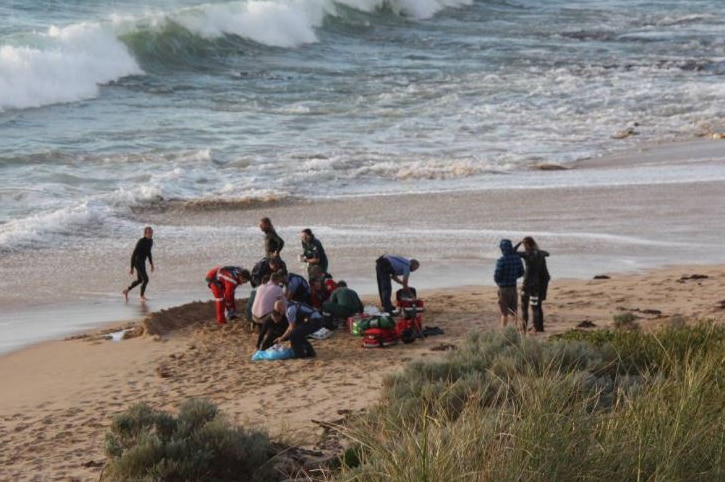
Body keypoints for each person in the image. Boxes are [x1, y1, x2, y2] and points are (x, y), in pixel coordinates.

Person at [514, 236, 551, 333]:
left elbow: (512, 251)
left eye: (524, 244)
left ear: (526, 245)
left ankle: (524, 328)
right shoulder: (540, 254)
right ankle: (538, 327)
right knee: (536, 307)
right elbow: (548, 253)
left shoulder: (527, 254)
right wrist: (538, 250)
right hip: (536, 284)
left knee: (524, 307)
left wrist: (519, 242)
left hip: (527, 284)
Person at [494, 239, 525, 329]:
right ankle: (516, 330)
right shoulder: (517, 259)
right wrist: (514, 277)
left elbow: (497, 276)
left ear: (502, 249)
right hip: (513, 288)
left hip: (503, 288)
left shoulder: (501, 261)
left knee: (504, 313)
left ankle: (504, 332)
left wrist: (499, 282)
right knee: (514, 312)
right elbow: (522, 272)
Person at [123, 226, 154, 301]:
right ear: (145, 233)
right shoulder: (141, 242)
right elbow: (133, 254)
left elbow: (148, 253)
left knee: (140, 280)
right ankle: (141, 296)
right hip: (137, 262)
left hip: (142, 262)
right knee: (146, 279)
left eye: (151, 232)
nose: (151, 234)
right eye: (149, 233)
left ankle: (127, 290)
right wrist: (132, 268)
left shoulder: (150, 241)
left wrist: (151, 263)